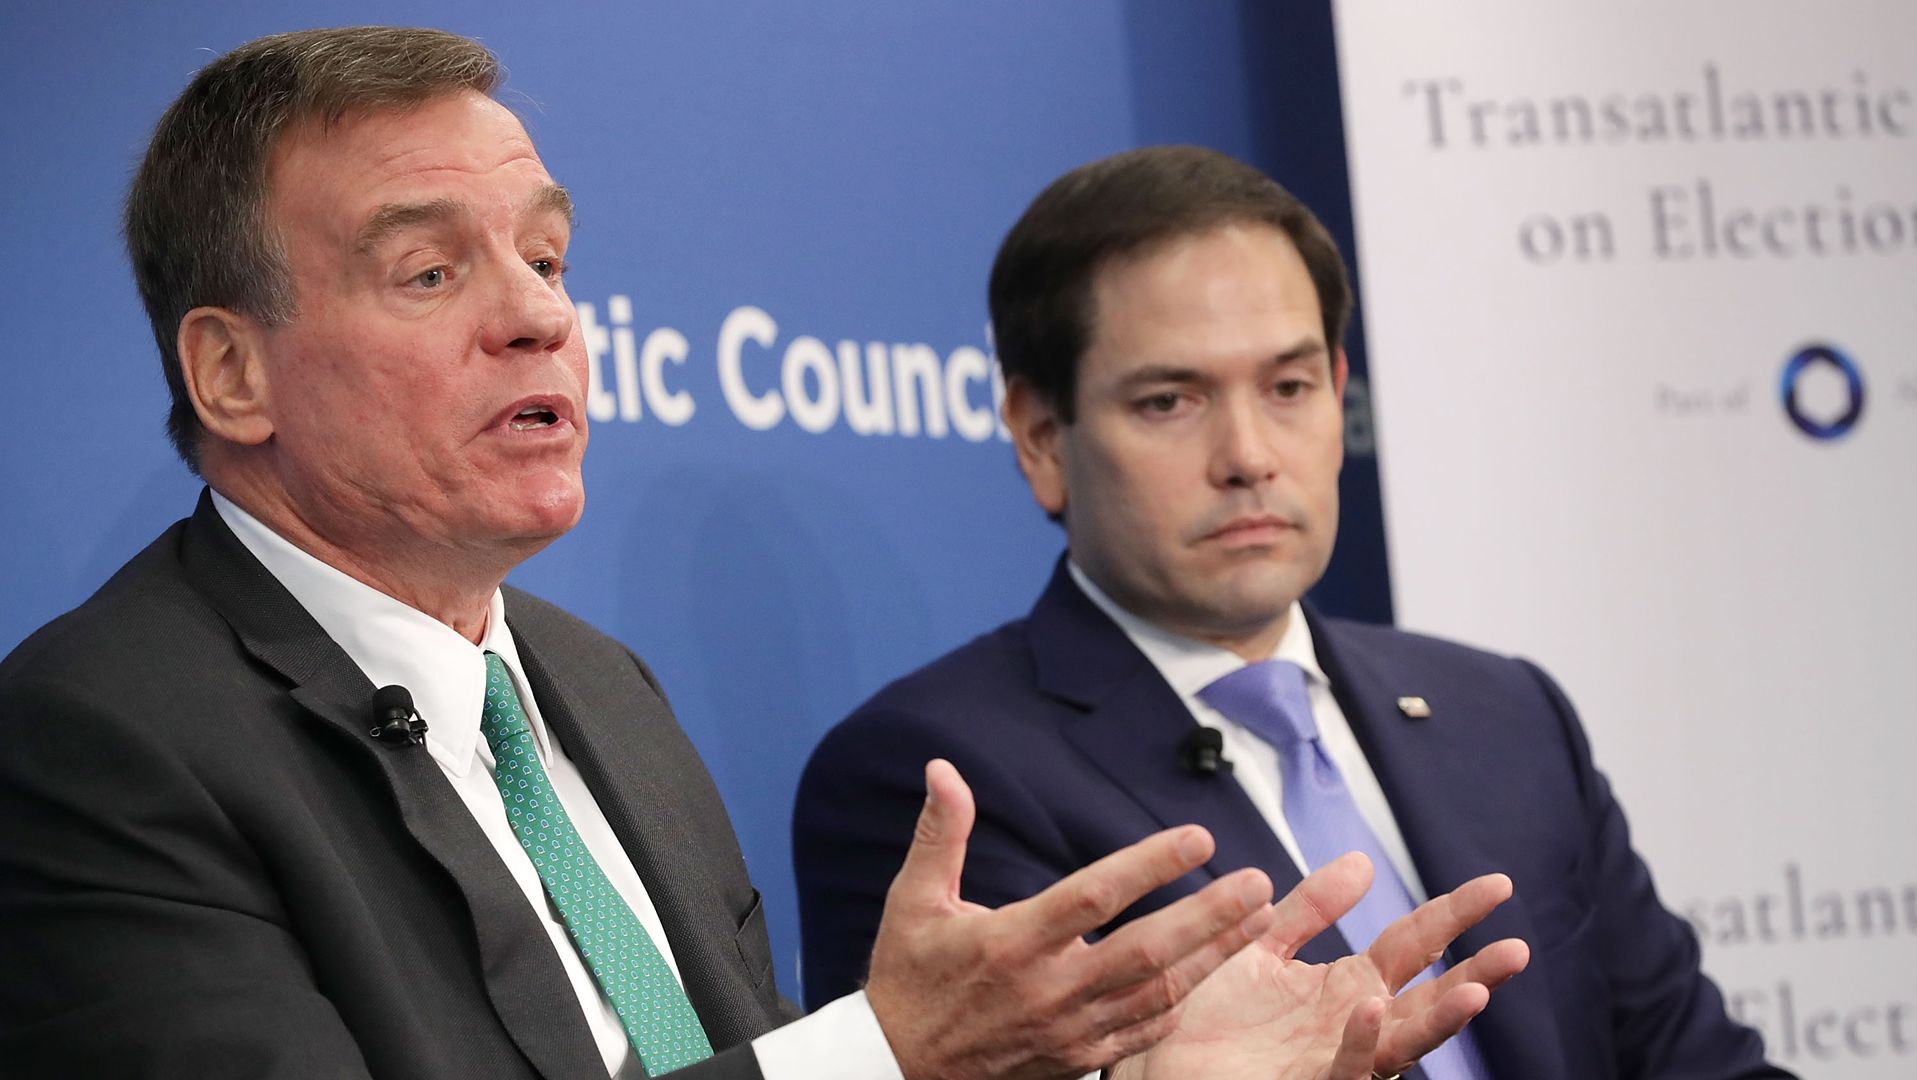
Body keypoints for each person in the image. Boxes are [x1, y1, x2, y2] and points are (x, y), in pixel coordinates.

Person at [0, 28, 1523, 1080]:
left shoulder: (600, 696)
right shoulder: (100, 745)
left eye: (547, 255)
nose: (537, 315)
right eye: (427, 270)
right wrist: (882, 1050)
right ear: (232, 376)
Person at [794, 145, 1795, 1079]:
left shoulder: (1507, 715)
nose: (1249, 455)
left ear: (1337, 390)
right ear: (1042, 434)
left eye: (1288, 385)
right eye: (1168, 402)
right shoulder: (937, 780)